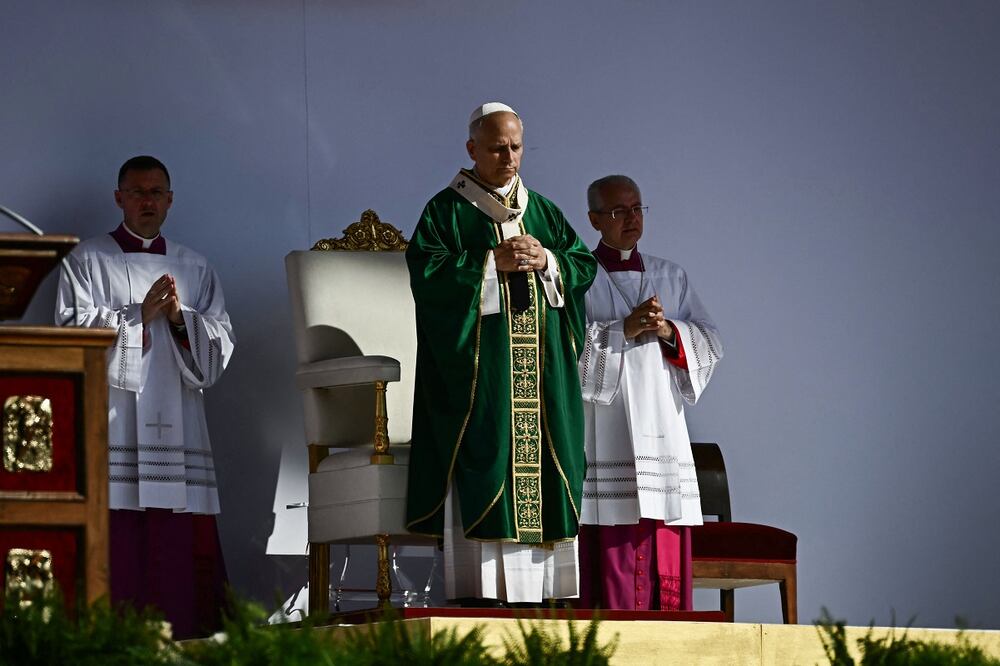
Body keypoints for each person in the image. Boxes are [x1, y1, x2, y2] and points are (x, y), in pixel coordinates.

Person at [405, 103, 597, 605]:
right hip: (484, 374)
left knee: (549, 456)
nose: (508, 157)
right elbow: (427, 277)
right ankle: (481, 595)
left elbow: (581, 264)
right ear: (472, 149)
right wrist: (490, 262)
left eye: (515, 146)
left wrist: (548, 259)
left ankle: (547, 596)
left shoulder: (544, 210)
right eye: (496, 147)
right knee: (488, 451)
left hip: (542, 374)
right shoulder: (445, 211)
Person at [55, 155, 235, 637]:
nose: (147, 201)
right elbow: (71, 338)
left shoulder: (195, 267)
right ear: (119, 198)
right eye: (137, 192)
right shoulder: (87, 261)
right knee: (119, 545)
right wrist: (138, 315)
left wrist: (179, 320)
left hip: (180, 430)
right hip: (113, 424)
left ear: (170, 201)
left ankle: (190, 641)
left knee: (178, 557)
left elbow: (217, 354)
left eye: (156, 192)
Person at [576, 175, 723, 611]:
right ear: (595, 219)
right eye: (619, 212)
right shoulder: (579, 276)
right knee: (613, 529)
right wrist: (623, 328)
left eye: (637, 209)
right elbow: (561, 347)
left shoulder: (670, 275)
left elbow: (712, 341)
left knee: (663, 525)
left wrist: (667, 330)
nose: (631, 219)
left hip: (662, 422)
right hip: (607, 426)